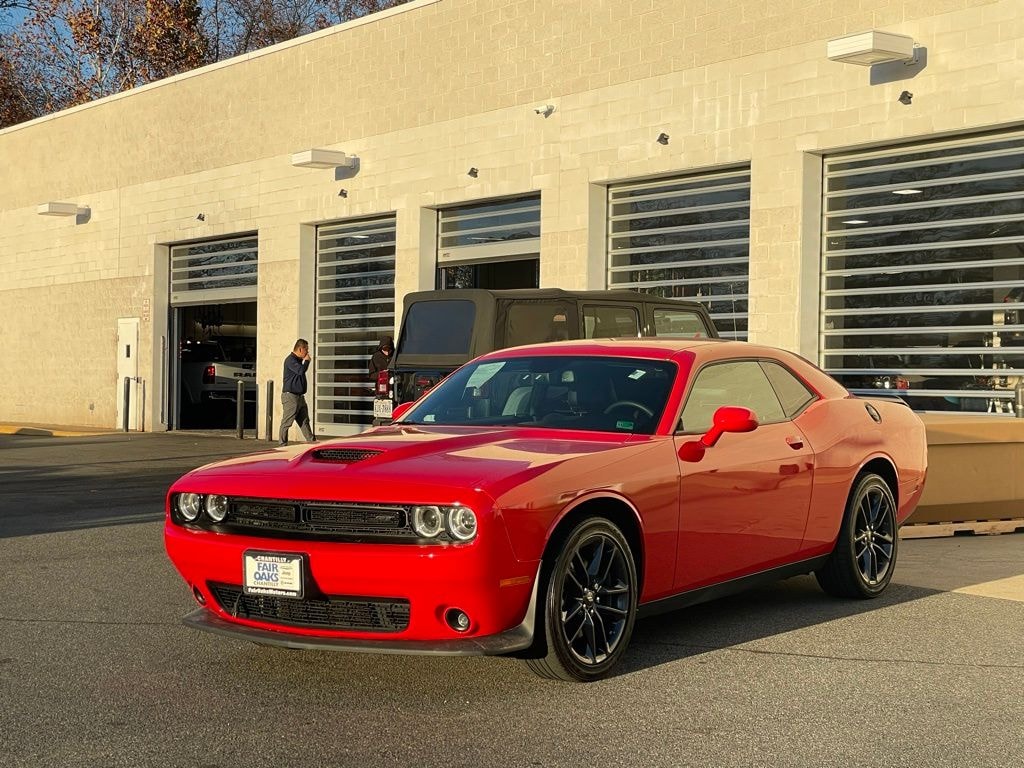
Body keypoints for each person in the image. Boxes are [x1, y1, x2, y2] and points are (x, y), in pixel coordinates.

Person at [280, 338, 314, 445]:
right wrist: (307, 361)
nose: (307, 352)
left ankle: (312, 442)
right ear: (300, 349)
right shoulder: (290, 360)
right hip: (290, 396)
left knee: (304, 421)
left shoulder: (298, 361)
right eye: (306, 350)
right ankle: (282, 445)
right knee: (287, 422)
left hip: (300, 397)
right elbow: (300, 371)